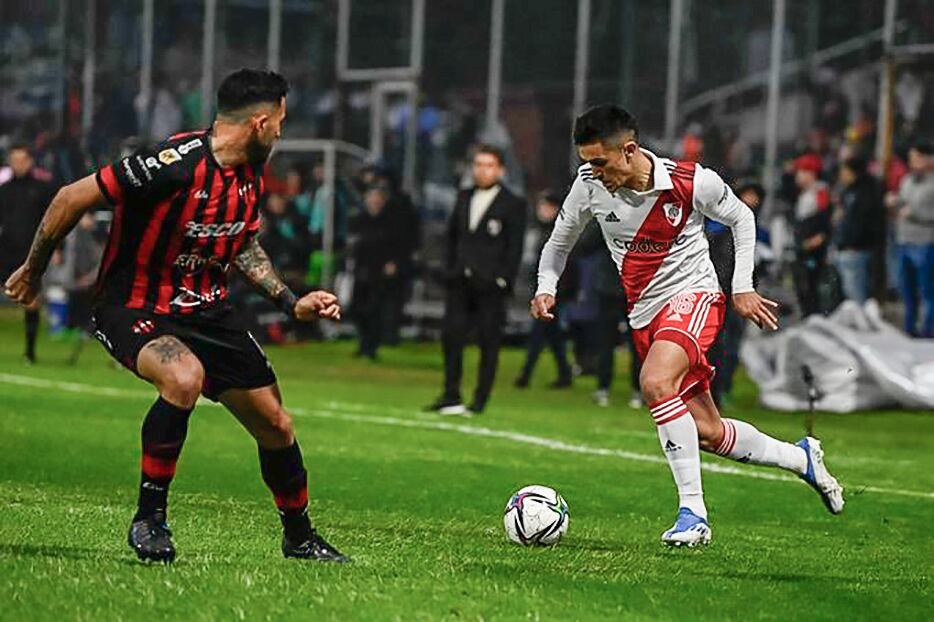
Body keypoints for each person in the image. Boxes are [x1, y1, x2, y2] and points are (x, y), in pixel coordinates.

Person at [4, 69, 348, 564]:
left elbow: (243, 242)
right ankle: (149, 520)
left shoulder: (251, 166)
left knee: (276, 425)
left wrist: (291, 302)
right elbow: (70, 197)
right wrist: (33, 271)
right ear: (258, 122)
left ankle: (299, 539)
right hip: (134, 306)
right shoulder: (170, 164)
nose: (282, 130)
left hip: (208, 311)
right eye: (280, 120)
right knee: (184, 377)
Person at [532, 105, 843, 547]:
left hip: (694, 297)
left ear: (630, 150)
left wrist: (741, 286)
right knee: (709, 432)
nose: (593, 172)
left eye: (600, 161)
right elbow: (558, 243)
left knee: (655, 383)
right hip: (644, 314)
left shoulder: (691, 181)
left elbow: (742, 217)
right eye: (586, 162)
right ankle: (801, 459)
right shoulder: (587, 188)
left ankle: (692, 514)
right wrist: (547, 286)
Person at [426, 145, 527, 416]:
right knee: (451, 337)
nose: (483, 170)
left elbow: (514, 246)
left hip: (490, 284)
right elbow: (452, 237)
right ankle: (451, 394)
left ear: (500, 170)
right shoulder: (463, 197)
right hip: (460, 280)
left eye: (489, 165)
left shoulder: (513, 203)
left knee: (488, 341)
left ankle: (480, 399)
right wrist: (449, 269)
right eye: (479, 164)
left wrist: (504, 279)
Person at [705, 180, 764, 407]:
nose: (751, 201)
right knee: (715, 345)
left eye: (755, 196)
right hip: (718, 294)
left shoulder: (758, 232)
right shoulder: (717, 228)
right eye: (747, 195)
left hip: (741, 297)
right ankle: (712, 392)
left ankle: (723, 388)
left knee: (731, 346)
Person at [0, 143, 56, 363]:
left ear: (30, 161)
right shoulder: (4, 190)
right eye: (13, 160)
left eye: (21, 160)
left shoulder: (42, 189)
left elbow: (52, 222)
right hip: (5, 250)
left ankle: (30, 352)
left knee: (31, 301)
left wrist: (56, 248)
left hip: (29, 253)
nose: (17, 164)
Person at [515, 192, 573, 389]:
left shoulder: (560, 233)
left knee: (538, 333)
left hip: (552, 293)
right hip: (543, 290)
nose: (543, 210)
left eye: (547, 207)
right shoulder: (539, 230)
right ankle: (565, 373)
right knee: (552, 335)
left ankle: (525, 374)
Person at [349, 183, 408, 359]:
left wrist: (393, 263)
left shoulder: (391, 222)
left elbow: (399, 246)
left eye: (377, 198)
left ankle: (371, 346)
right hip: (361, 270)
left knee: (374, 310)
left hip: (379, 272)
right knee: (357, 309)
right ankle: (362, 341)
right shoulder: (359, 219)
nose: (374, 201)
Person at [888, 142, 934, 337]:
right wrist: (895, 202)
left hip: (925, 242)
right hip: (904, 241)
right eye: (911, 159)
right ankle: (909, 330)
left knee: (927, 291)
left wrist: (914, 214)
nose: (913, 163)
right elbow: (903, 204)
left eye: (917, 159)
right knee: (907, 291)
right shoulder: (907, 180)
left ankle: (928, 331)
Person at [833, 156, 884, 304]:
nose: (841, 175)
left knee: (855, 293)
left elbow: (861, 222)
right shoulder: (849, 191)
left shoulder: (865, 192)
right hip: (847, 246)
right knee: (848, 291)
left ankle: (860, 322)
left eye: (844, 171)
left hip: (856, 248)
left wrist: (850, 242)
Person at [790, 153, 834, 317]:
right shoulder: (805, 194)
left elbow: (825, 219)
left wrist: (819, 238)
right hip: (803, 247)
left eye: (801, 172)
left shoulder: (820, 192)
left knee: (812, 287)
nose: (798, 176)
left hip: (814, 249)